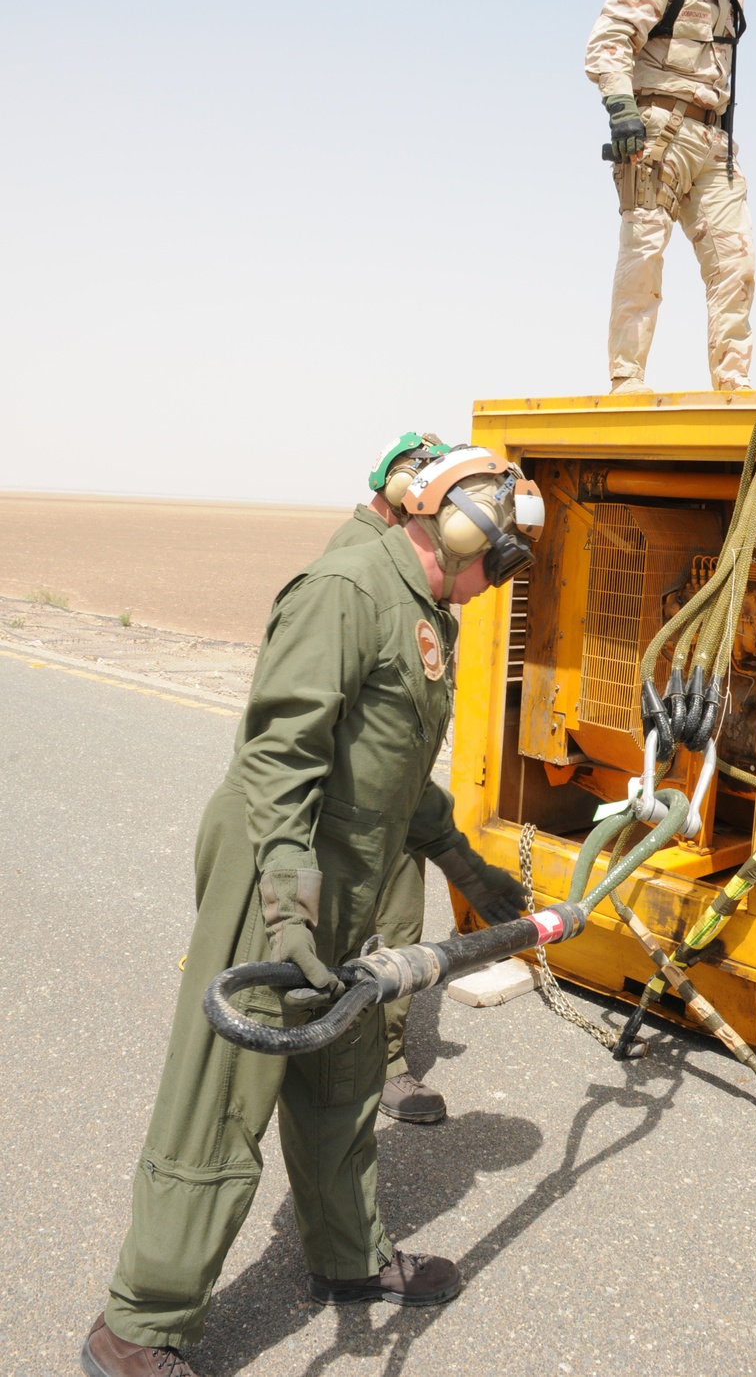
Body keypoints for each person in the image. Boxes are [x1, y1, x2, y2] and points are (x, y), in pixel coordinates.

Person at [81, 445, 545, 1377]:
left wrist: (464, 865)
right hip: (276, 872)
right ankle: (138, 1326)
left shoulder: (425, 609)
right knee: (223, 1093)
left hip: (349, 880)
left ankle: (347, 1259)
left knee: (340, 1076)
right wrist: (290, 911)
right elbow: (277, 762)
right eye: (488, 546)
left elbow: (396, 771)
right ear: (448, 525)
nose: (490, 575)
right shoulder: (343, 591)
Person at [585, 0, 756, 395]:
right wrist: (621, 108)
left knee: (736, 263)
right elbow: (608, 40)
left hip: (714, 144)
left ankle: (733, 383)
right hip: (657, 136)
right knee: (644, 254)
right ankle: (627, 380)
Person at [325, 431, 456, 1124]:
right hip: (363, 800)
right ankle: (382, 1064)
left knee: (398, 925)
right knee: (380, 930)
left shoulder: (397, 554)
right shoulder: (357, 560)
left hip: (398, 792)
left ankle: (372, 1055)